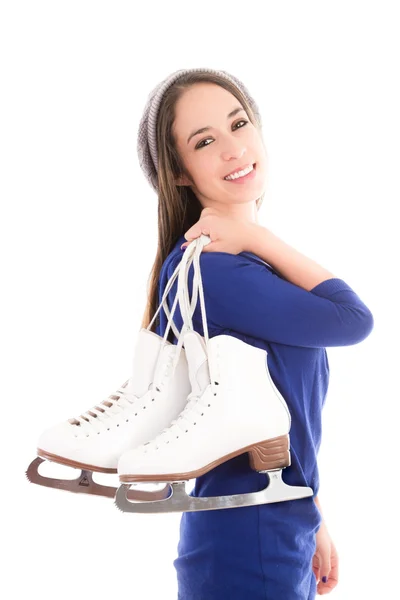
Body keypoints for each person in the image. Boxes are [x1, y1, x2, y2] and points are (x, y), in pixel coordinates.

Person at [137, 68, 374, 599]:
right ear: (178, 172)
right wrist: (255, 236)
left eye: (238, 123)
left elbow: (259, 413)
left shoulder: (232, 266)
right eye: (204, 141)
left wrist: (311, 512)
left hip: (266, 524)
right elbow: (352, 319)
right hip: (252, 542)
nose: (232, 148)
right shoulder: (215, 271)